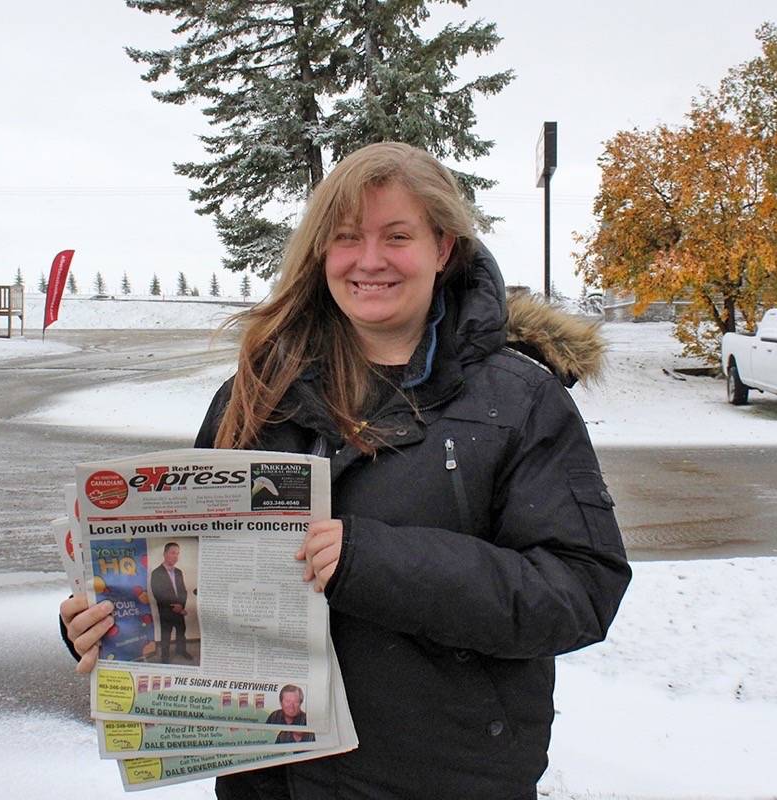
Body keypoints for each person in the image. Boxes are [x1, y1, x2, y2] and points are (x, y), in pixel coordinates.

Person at [61, 141, 631, 799]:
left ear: (443, 248)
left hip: (444, 781)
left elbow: (580, 591)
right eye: (346, 238)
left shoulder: (520, 402)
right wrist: (107, 618)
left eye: (397, 236)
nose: (369, 261)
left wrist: (370, 561)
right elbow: (188, 569)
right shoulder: (257, 393)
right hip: (271, 783)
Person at [149, 541, 190, 662]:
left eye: (177, 554)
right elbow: (157, 594)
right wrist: (174, 607)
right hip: (166, 611)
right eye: (173, 553)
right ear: (165, 554)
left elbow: (183, 591)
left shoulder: (179, 572)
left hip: (179, 610)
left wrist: (181, 607)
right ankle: (165, 656)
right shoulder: (156, 573)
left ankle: (181, 650)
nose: (176, 556)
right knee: (166, 635)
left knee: (181, 632)